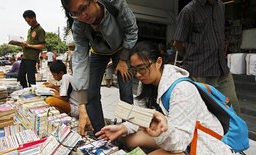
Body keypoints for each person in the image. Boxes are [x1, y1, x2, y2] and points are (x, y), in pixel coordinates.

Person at [96, 41, 235, 155]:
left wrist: (161, 133)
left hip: (200, 142)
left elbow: (180, 141)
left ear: (158, 62)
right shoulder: (145, 83)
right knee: (130, 140)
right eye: (134, 70)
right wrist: (123, 128)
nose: (138, 75)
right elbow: (141, 116)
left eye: (142, 68)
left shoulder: (182, 89)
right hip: (170, 134)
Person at [61, 0, 138, 135]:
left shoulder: (116, 4)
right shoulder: (78, 25)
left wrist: (123, 59)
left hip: (121, 49)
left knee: (125, 89)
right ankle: (101, 133)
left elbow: (131, 31)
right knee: (90, 93)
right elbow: (80, 60)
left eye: (84, 8)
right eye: (75, 13)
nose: (83, 16)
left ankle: (128, 131)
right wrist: (82, 106)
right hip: (98, 53)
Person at [172, 0, 240, 113]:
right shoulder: (188, 11)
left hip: (221, 70)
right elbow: (178, 43)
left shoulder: (220, 6)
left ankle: (235, 130)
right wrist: (193, 58)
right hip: (199, 73)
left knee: (233, 110)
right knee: (203, 114)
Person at [17, 10, 46, 88]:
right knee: (21, 76)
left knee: (31, 78)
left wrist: (29, 45)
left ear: (34, 18)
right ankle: (25, 91)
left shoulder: (40, 30)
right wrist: (22, 43)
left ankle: (32, 94)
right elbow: (29, 42)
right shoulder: (30, 30)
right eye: (26, 22)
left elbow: (42, 46)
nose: (28, 23)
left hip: (32, 58)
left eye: (29, 21)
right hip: (25, 56)